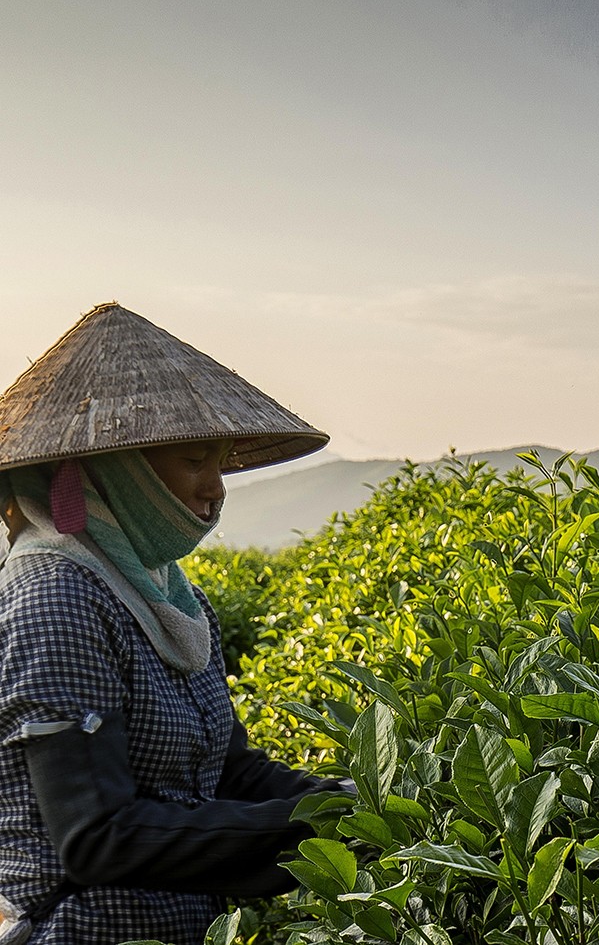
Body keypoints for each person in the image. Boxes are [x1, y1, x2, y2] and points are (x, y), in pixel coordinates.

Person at [0, 303, 344, 944]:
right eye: (194, 461)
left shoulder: (170, 595)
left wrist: (348, 803)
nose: (215, 487)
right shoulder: (55, 596)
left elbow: (228, 769)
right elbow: (97, 837)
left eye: (220, 462)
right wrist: (313, 827)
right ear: (116, 464)